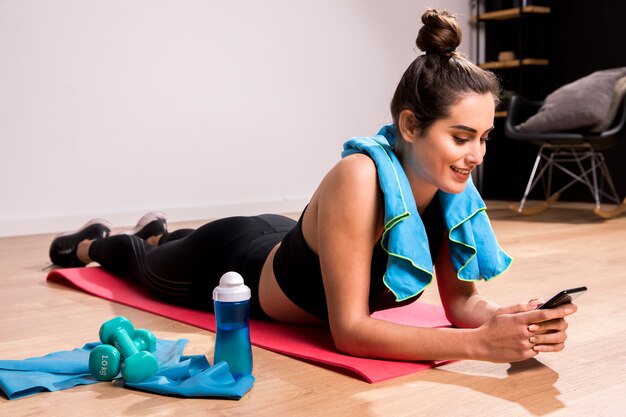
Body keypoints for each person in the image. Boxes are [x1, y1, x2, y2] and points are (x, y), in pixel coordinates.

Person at [49, 9, 576, 364]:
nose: (477, 155)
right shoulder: (360, 177)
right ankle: (92, 241)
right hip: (234, 259)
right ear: (411, 126)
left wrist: (514, 321)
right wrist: (480, 348)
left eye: (483, 138)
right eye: (462, 136)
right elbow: (348, 331)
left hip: (278, 238)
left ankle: (167, 232)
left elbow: (461, 306)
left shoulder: (448, 189)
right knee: (139, 264)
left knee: (176, 242)